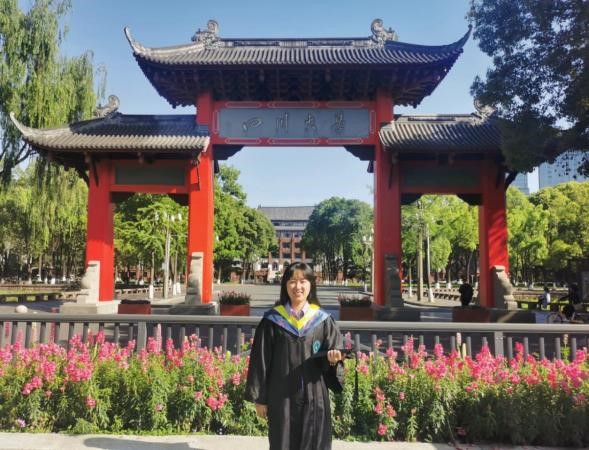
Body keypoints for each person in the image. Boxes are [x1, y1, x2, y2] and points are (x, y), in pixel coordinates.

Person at [245, 262, 344, 450]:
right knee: (283, 442)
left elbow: (334, 354)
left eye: (303, 281)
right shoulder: (273, 320)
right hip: (281, 396)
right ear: (285, 285)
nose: (297, 286)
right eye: (292, 281)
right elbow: (260, 360)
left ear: (311, 285)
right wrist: (260, 398)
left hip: (314, 396)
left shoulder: (323, 319)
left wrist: (334, 361)